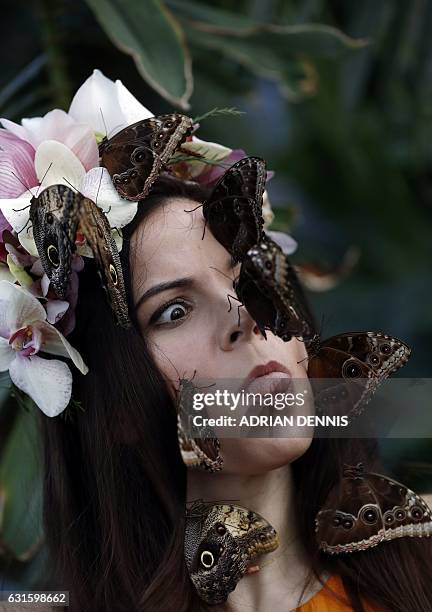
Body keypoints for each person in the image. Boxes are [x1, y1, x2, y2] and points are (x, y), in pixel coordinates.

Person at [40, 174, 432, 612]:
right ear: (115, 410)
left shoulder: (422, 549)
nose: (245, 317)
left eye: (250, 276)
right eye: (174, 310)